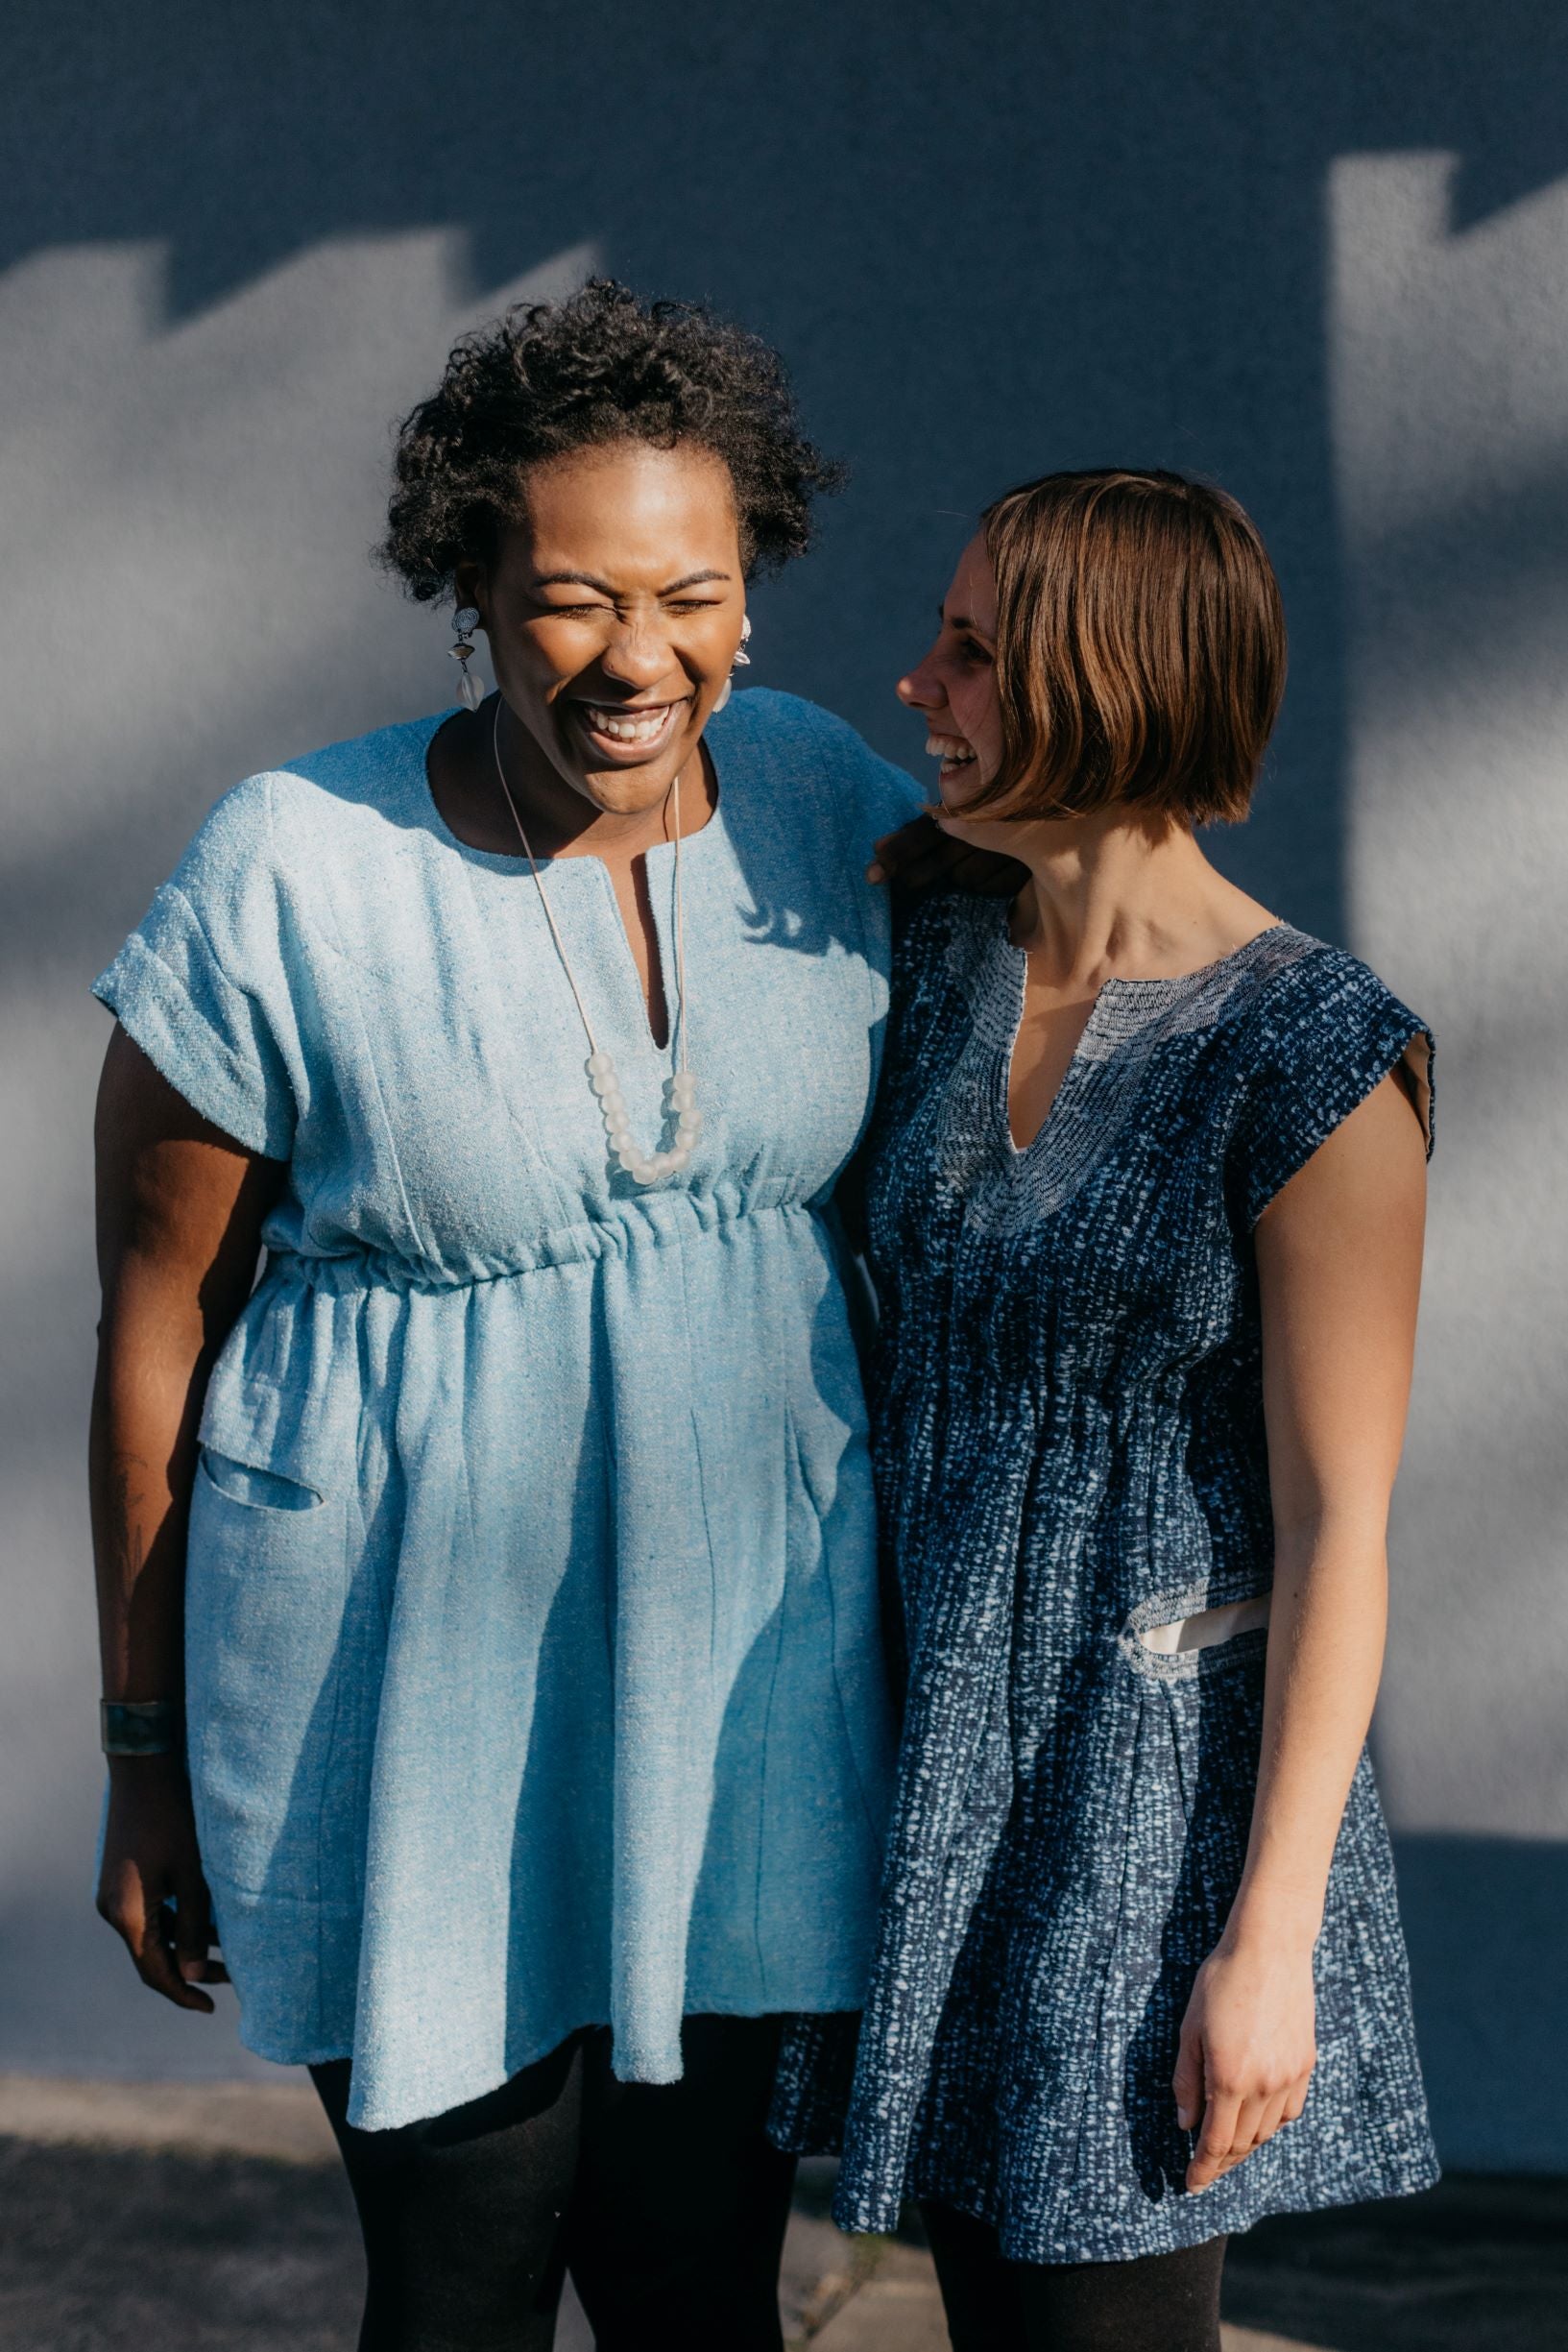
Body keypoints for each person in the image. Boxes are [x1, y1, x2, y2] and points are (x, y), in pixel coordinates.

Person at [88, 280, 925, 2352]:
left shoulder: (824, 799)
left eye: (693, 593)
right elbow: (150, 1337)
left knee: (696, 2287)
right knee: (461, 2280)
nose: (639, 658)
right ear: (466, 585)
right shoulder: (296, 862)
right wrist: (141, 1758)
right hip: (402, 1688)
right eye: (567, 598)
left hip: (741, 1688)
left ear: (754, 593)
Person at [791, 470, 1439, 2351]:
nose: (918, 684)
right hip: (919, 1772)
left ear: (1109, 679)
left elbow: (1339, 1528)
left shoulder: (1310, 1051)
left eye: (974, 652)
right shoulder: (927, 960)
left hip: (1140, 1821)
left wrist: (1269, 1943)